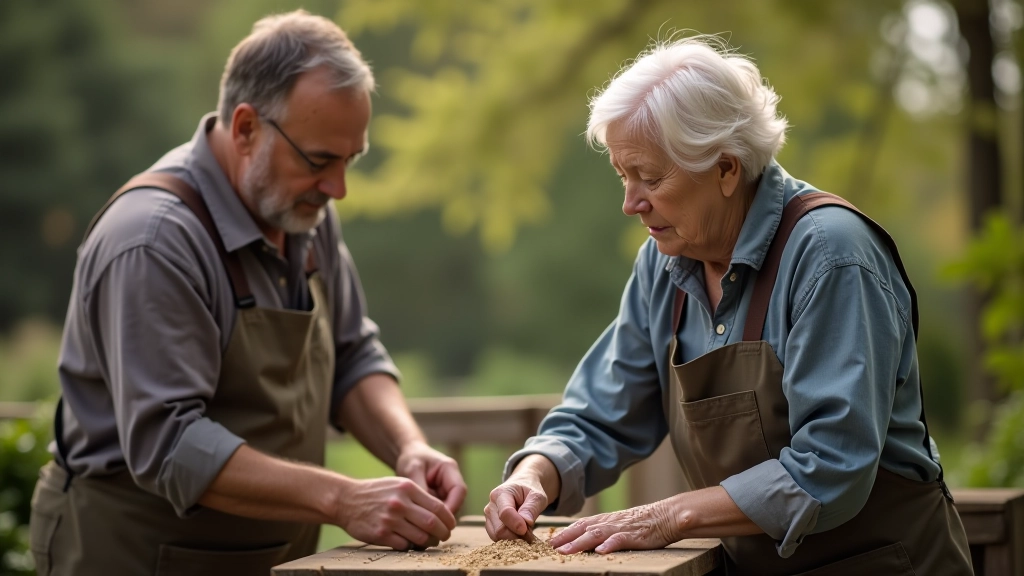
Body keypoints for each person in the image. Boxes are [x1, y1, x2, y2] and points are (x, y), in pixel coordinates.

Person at [485, 36, 973, 575]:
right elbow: (602, 410)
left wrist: (669, 516)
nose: (631, 203)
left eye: (651, 177)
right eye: (623, 177)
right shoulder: (663, 261)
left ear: (725, 169)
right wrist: (534, 474)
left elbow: (831, 466)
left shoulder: (832, 256)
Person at [29, 10, 466, 576]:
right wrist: (341, 498)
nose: (339, 188)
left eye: (350, 159)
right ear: (244, 128)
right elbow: (169, 444)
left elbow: (353, 355)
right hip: (137, 554)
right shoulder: (153, 241)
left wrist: (408, 447)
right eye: (319, 160)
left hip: (273, 556)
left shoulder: (304, 209)